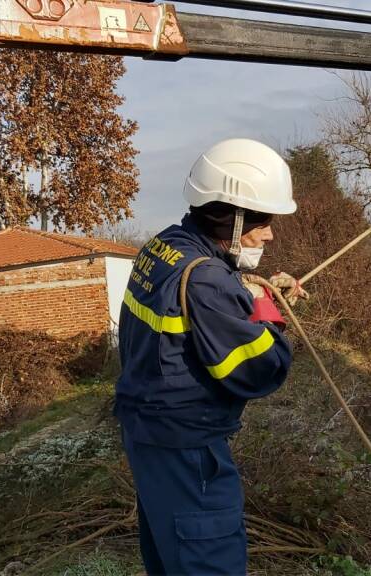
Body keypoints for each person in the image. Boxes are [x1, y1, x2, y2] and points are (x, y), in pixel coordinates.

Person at [115, 138, 308, 575]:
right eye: (261, 220)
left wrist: (250, 291)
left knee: (169, 561)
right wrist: (268, 312)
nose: (270, 232)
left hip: (149, 439)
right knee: (207, 562)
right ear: (231, 215)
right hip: (189, 453)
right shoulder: (206, 282)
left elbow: (195, 308)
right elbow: (259, 370)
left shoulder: (163, 248)